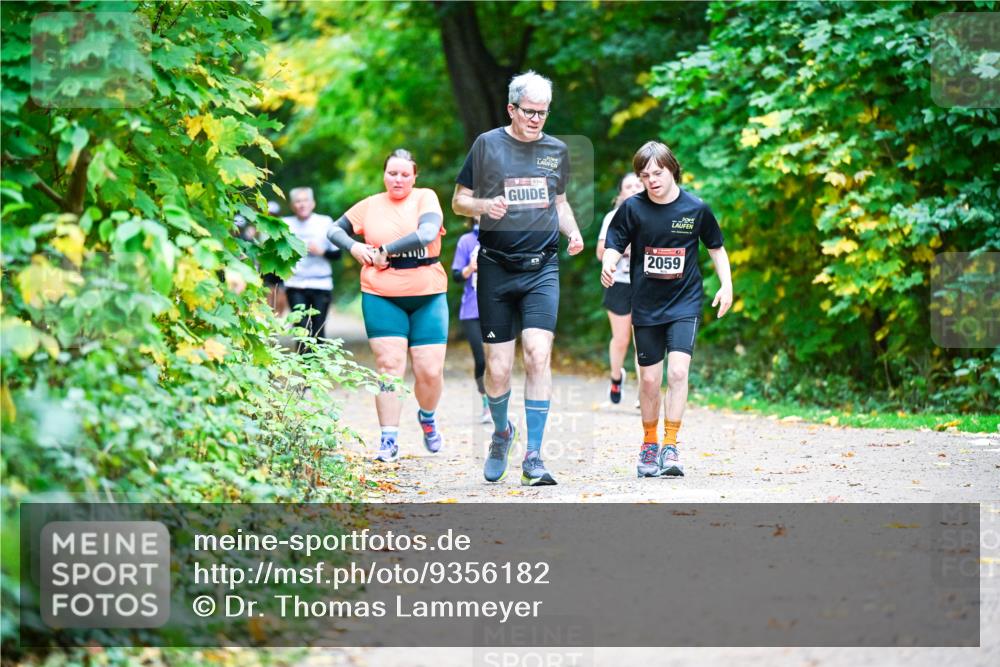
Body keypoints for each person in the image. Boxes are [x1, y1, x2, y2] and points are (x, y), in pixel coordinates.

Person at [452, 70, 584, 487]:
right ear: (511, 108)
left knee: (538, 354)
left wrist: (573, 231)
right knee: (497, 369)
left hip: (542, 267)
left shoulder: (556, 150)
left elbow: (559, 203)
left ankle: (534, 457)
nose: (537, 120)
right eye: (529, 112)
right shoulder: (487, 144)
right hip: (496, 267)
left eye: (543, 113)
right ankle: (502, 433)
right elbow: (458, 201)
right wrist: (484, 205)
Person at [602, 141, 733, 478]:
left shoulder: (696, 208)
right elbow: (614, 243)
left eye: (657, 173)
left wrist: (727, 285)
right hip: (646, 304)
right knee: (649, 380)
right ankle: (649, 443)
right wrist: (609, 262)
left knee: (677, 373)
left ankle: (671, 445)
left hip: (684, 302)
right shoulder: (633, 208)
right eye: (645, 176)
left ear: (672, 169)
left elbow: (716, 248)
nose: (652, 181)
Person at [327, 149, 449, 463]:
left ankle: (427, 416)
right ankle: (389, 439)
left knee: (430, 371)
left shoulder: (425, 197)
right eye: (392, 173)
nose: (398, 179)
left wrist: (384, 249)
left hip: (428, 293)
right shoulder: (370, 205)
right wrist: (354, 246)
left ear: (414, 176)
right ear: (384, 175)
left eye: (405, 174)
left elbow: (426, 234)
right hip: (381, 294)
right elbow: (333, 230)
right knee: (389, 367)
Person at [595, 173, 644, 405]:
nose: (634, 188)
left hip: (646, 284)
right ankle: (616, 378)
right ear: (621, 193)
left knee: (643, 340)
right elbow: (600, 252)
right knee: (621, 339)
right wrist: (625, 250)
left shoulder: (656, 214)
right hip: (619, 284)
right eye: (628, 186)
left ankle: (645, 391)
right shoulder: (612, 217)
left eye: (638, 184)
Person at [283, 188, 340, 348]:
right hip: (295, 284)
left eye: (305, 200)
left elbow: (337, 254)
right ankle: (303, 362)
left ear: (312, 203)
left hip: (321, 284)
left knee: (318, 330)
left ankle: (318, 363)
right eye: (298, 201)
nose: (302, 204)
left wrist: (321, 252)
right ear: (292, 205)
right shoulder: (285, 224)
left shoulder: (325, 222)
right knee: (301, 330)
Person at [452, 217, 492, 424]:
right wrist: (470, 268)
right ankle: (486, 403)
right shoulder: (466, 241)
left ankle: (499, 403)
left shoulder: (502, 236)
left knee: (498, 359)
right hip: (471, 310)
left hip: (497, 308)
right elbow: (456, 275)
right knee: (481, 359)